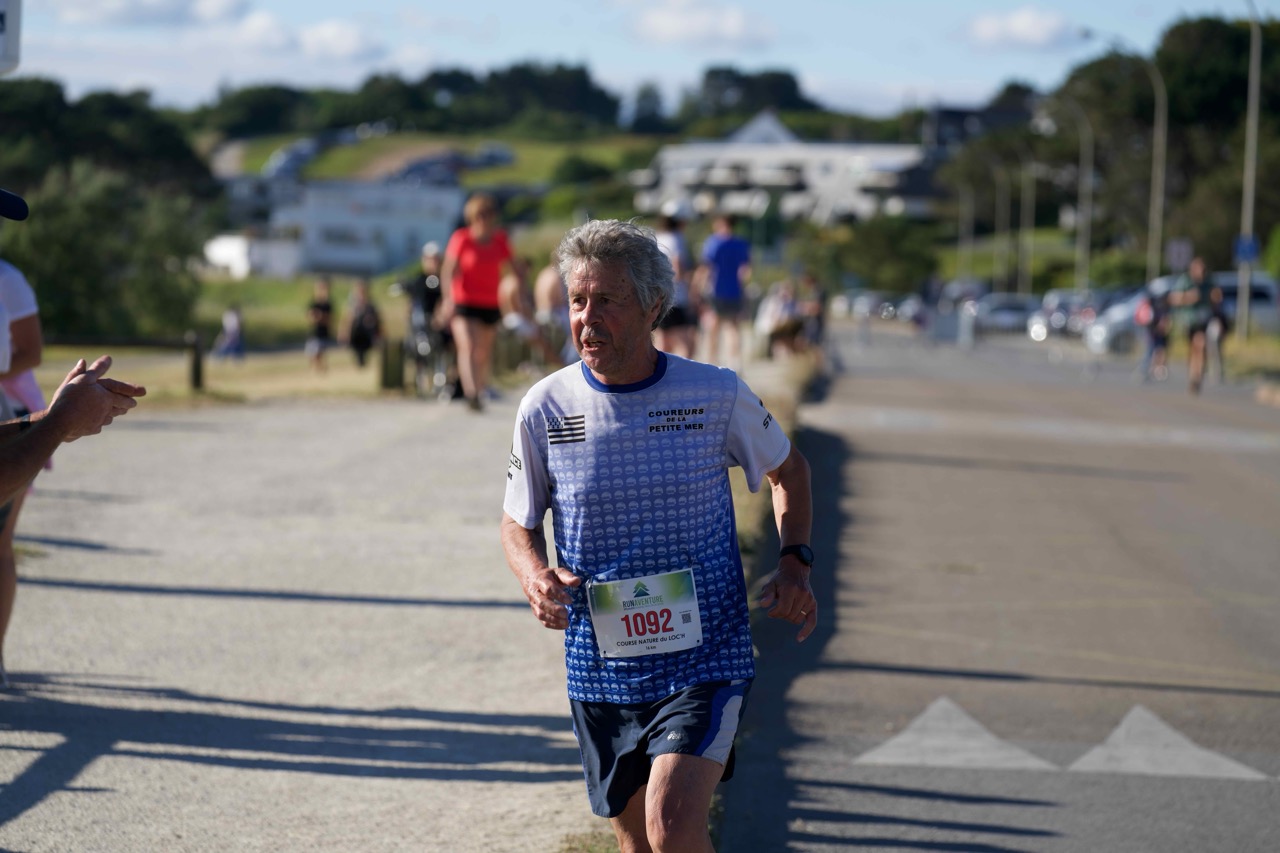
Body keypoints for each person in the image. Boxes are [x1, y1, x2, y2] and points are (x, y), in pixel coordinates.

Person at [501, 219, 814, 852]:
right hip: (600, 666)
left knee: (670, 824)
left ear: (652, 307)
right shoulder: (545, 406)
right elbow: (517, 521)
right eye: (577, 301)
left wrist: (793, 563)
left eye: (607, 300)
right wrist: (534, 576)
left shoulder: (713, 393)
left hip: (706, 655)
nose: (588, 318)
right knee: (638, 844)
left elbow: (790, 472)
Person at [440, 193, 521, 411]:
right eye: (479, 215)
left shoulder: (500, 240)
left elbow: (513, 268)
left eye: (487, 215)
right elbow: (448, 271)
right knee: (468, 345)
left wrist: (517, 292)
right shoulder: (461, 239)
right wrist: (447, 299)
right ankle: (472, 394)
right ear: (472, 218)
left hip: (490, 302)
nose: (483, 220)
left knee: (483, 351)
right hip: (464, 301)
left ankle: (480, 387)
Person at [399, 242, 456, 398]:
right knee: (417, 346)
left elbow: (446, 301)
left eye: (436, 259)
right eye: (430, 259)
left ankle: (444, 381)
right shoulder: (419, 280)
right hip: (420, 325)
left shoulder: (443, 280)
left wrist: (440, 316)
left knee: (447, 344)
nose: (433, 262)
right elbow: (411, 301)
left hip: (438, 324)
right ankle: (421, 381)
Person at [697, 214, 752, 370]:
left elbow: (706, 267)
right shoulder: (741, 243)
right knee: (733, 327)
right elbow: (745, 271)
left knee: (713, 326)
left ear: (721, 223)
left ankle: (711, 361)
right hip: (735, 291)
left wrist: (698, 286)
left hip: (717, 290)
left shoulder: (713, 242)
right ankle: (735, 362)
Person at [1171, 257, 1223, 395]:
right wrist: (1189, 297)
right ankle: (1193, 374)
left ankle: (1197, 376)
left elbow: (1217, 297)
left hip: (1204, 320)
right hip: (1189, 320)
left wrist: (1216, 297)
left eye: (1203, 269)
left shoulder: (1209, 281)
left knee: (1200, 344)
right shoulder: (1185, 281)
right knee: (1193, 349)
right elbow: (1174, 298)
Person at [652, 205, 698, 359]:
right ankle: (683, 373)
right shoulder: (676, 238)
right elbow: (678, 268)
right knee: (686, 345)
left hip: (659, 296)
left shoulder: (657, 237)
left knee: (663, 343)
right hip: (677, 298)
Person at [341, 278, 382, 368]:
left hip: (367, 337)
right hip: (356, 337)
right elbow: (347, 321)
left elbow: (378, 322)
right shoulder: (353, 306)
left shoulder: (371, 306)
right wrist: (345, 335)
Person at [1136, 283, 1171, 382]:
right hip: (1152, 330)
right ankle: (1145, 370)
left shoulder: (1155, 303)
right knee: (1151, 350)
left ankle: (1156, 369)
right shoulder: (1156, 304)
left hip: (1154, 330)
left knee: (1157, 350)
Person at [305, 277, 334, 373]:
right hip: (313, 333)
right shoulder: (313, 303)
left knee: (319, 354)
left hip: (323, 333)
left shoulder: (327, 304)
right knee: (312, 355)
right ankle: (318, 370)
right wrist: (317, 317)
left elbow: (329, 319)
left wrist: (320, 317)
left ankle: (321, 370)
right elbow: (310, 317)